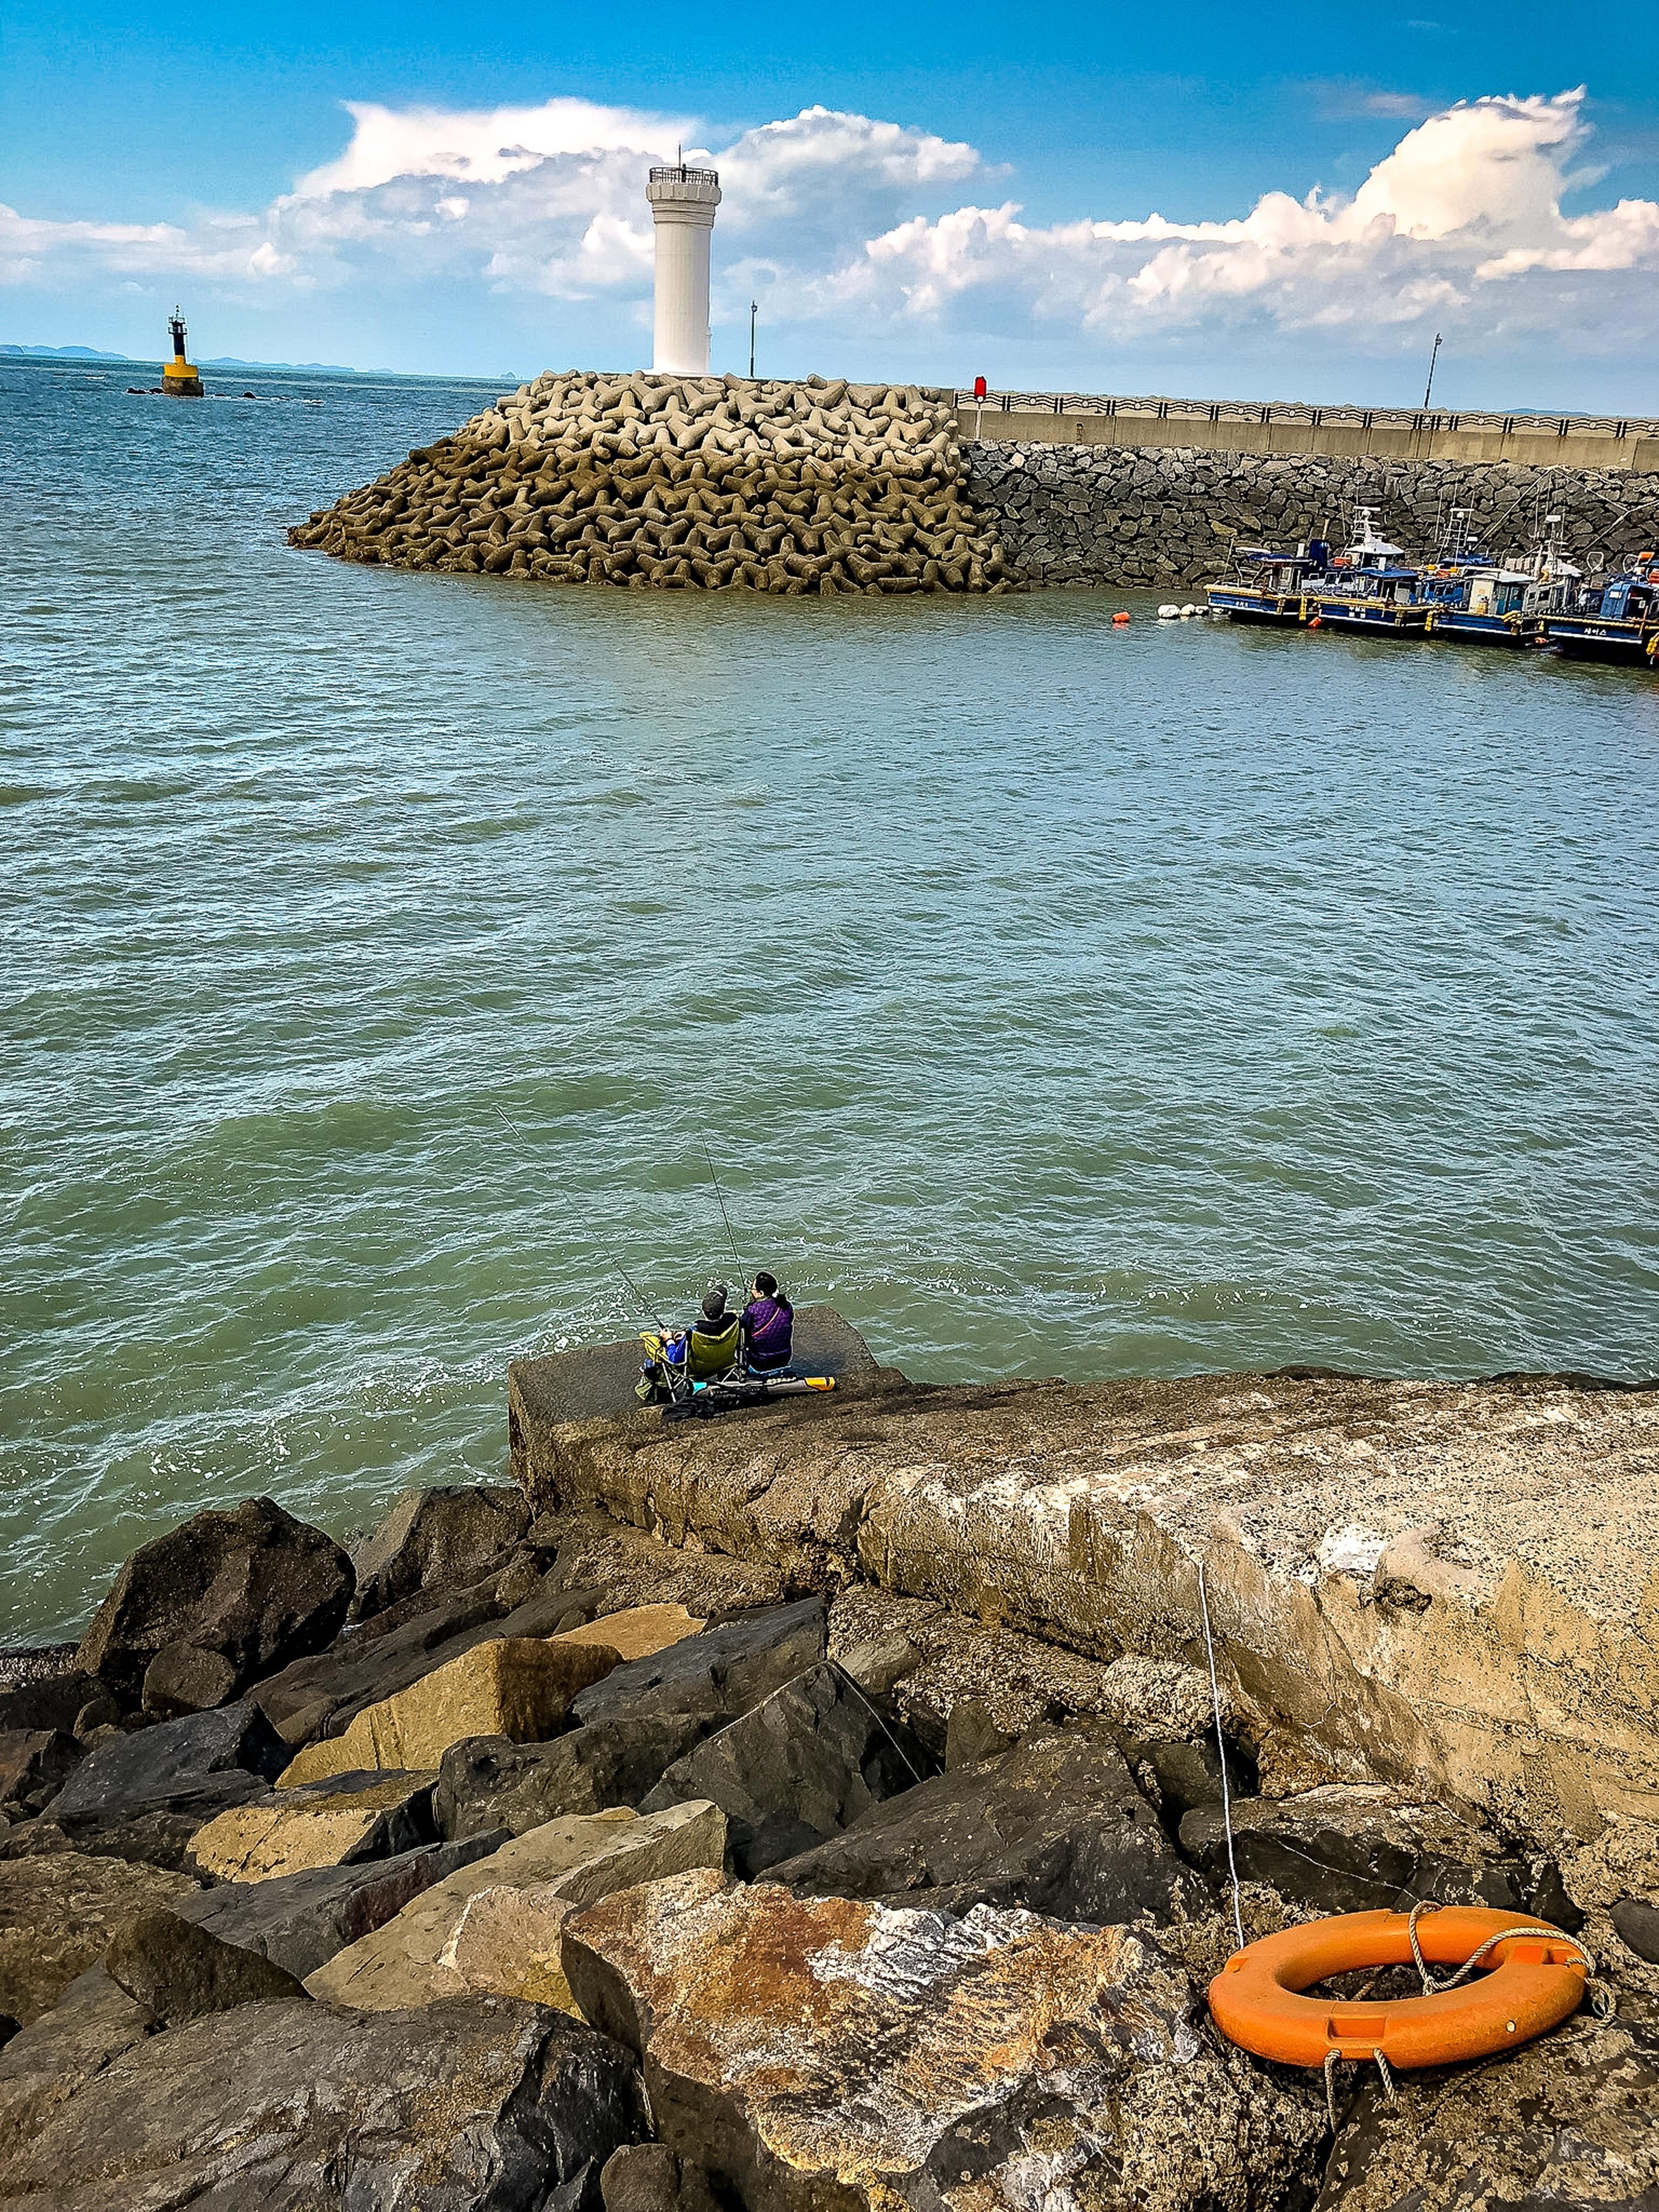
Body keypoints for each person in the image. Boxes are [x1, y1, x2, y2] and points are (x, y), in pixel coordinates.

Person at [682, 1284, 742, 1381]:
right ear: (723, 1310)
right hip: (727, 1364)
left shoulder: (694, 1333)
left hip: (698, 1372)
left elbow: (675, 1359)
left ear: (703, 1311)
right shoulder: (734, 1321)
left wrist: (669, 1341)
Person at [741, 1272, 793, 1372]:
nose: (751, 1290)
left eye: (753, 1288)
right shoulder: (787, 1305)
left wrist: (747, 1309)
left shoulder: (753, 1310)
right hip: (784, 1358)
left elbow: (744, 1328)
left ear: (761, 1293)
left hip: (761, 1362)